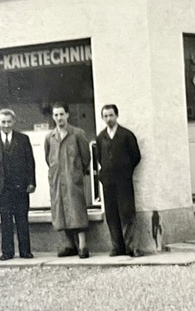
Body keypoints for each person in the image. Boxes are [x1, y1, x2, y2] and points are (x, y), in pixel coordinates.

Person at [0, 108, 36, 261]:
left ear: (13, 122)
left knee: (22, 219)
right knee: (5, 221)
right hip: (3, 188)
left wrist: (31, 182)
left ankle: (25, 251)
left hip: (20, 187)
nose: (6, 125)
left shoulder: (23, 139)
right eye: (3, 122)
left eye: (9, 122)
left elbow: (30, 163)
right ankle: (7, 252)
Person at [44, 101, 92, 258]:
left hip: (73, 179)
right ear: (53, 116)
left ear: (68, 115)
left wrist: (76, 172)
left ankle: (83, 246)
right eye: (56, 115)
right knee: (61, 211)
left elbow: (86, 157)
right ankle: (70, 245)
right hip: (57, 180)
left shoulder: (77, 134)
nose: (59, 118)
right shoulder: (49, 137)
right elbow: (48, 158)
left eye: (61, 114)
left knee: (76, 209)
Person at [95, 104, 143, 257]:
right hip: (108, 182)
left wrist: (125, 171)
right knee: (112, 214)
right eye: (106, 116)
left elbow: (136, 156)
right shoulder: (101, 137)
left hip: (123, 181)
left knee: (127, 213)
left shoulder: (126, 135)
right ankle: (117, 247)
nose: (108, 119)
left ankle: (131, 247)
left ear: (116, 116)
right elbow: (100, 158)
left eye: (111, 115)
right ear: (102, 118)